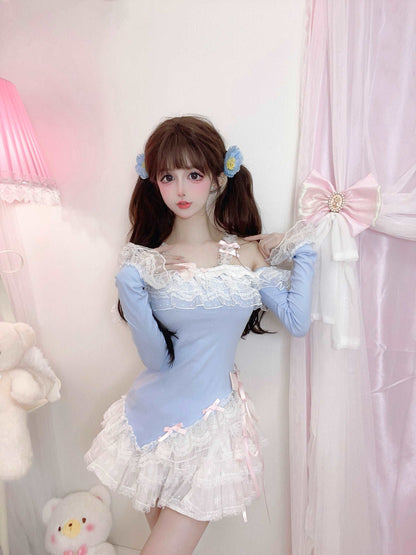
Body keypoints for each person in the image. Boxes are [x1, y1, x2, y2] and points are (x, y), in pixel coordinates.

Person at [85, 115, 316, 555]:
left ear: (218, 178)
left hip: (212, 425)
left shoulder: (245, 253)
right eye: (167, 177)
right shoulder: (149, 262)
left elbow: (297, 320)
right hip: (151, 419)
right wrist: (130, 284)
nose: (181, 189)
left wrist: (302, 252)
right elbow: (156, 359)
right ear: (154, 183)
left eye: (193, 175)